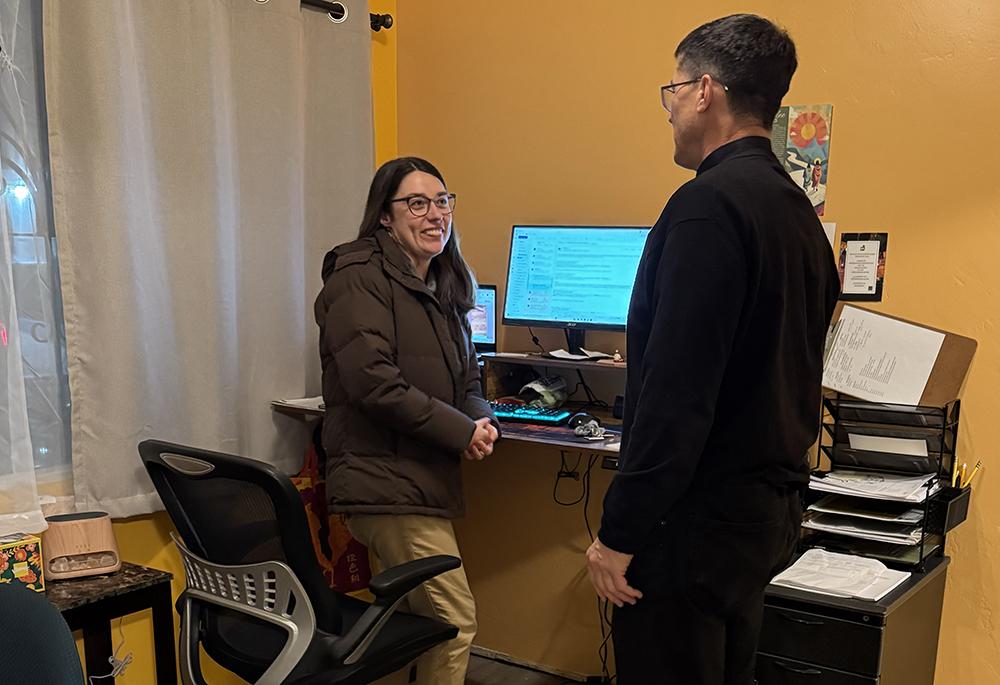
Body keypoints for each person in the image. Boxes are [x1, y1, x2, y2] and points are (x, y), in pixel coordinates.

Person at [585, 14, 840, 685]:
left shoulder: (706, 208)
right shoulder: (798, 216)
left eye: (671, 91)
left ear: (704, 91)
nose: (668, 110)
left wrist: (618, 533)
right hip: (761, 519)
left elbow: (676, 398)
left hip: (693, 527)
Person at [315, 157, 499, 685]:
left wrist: (481, 419)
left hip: (416, 479)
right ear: (384, 218)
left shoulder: (440, 281)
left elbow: (467, 377)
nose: (434, 214)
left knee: (403, 630)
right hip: (384, 485)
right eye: (416, 204)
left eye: (442, 201)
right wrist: (460, 432)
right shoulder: (357, 279)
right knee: (453, 623)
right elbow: (375, 384)